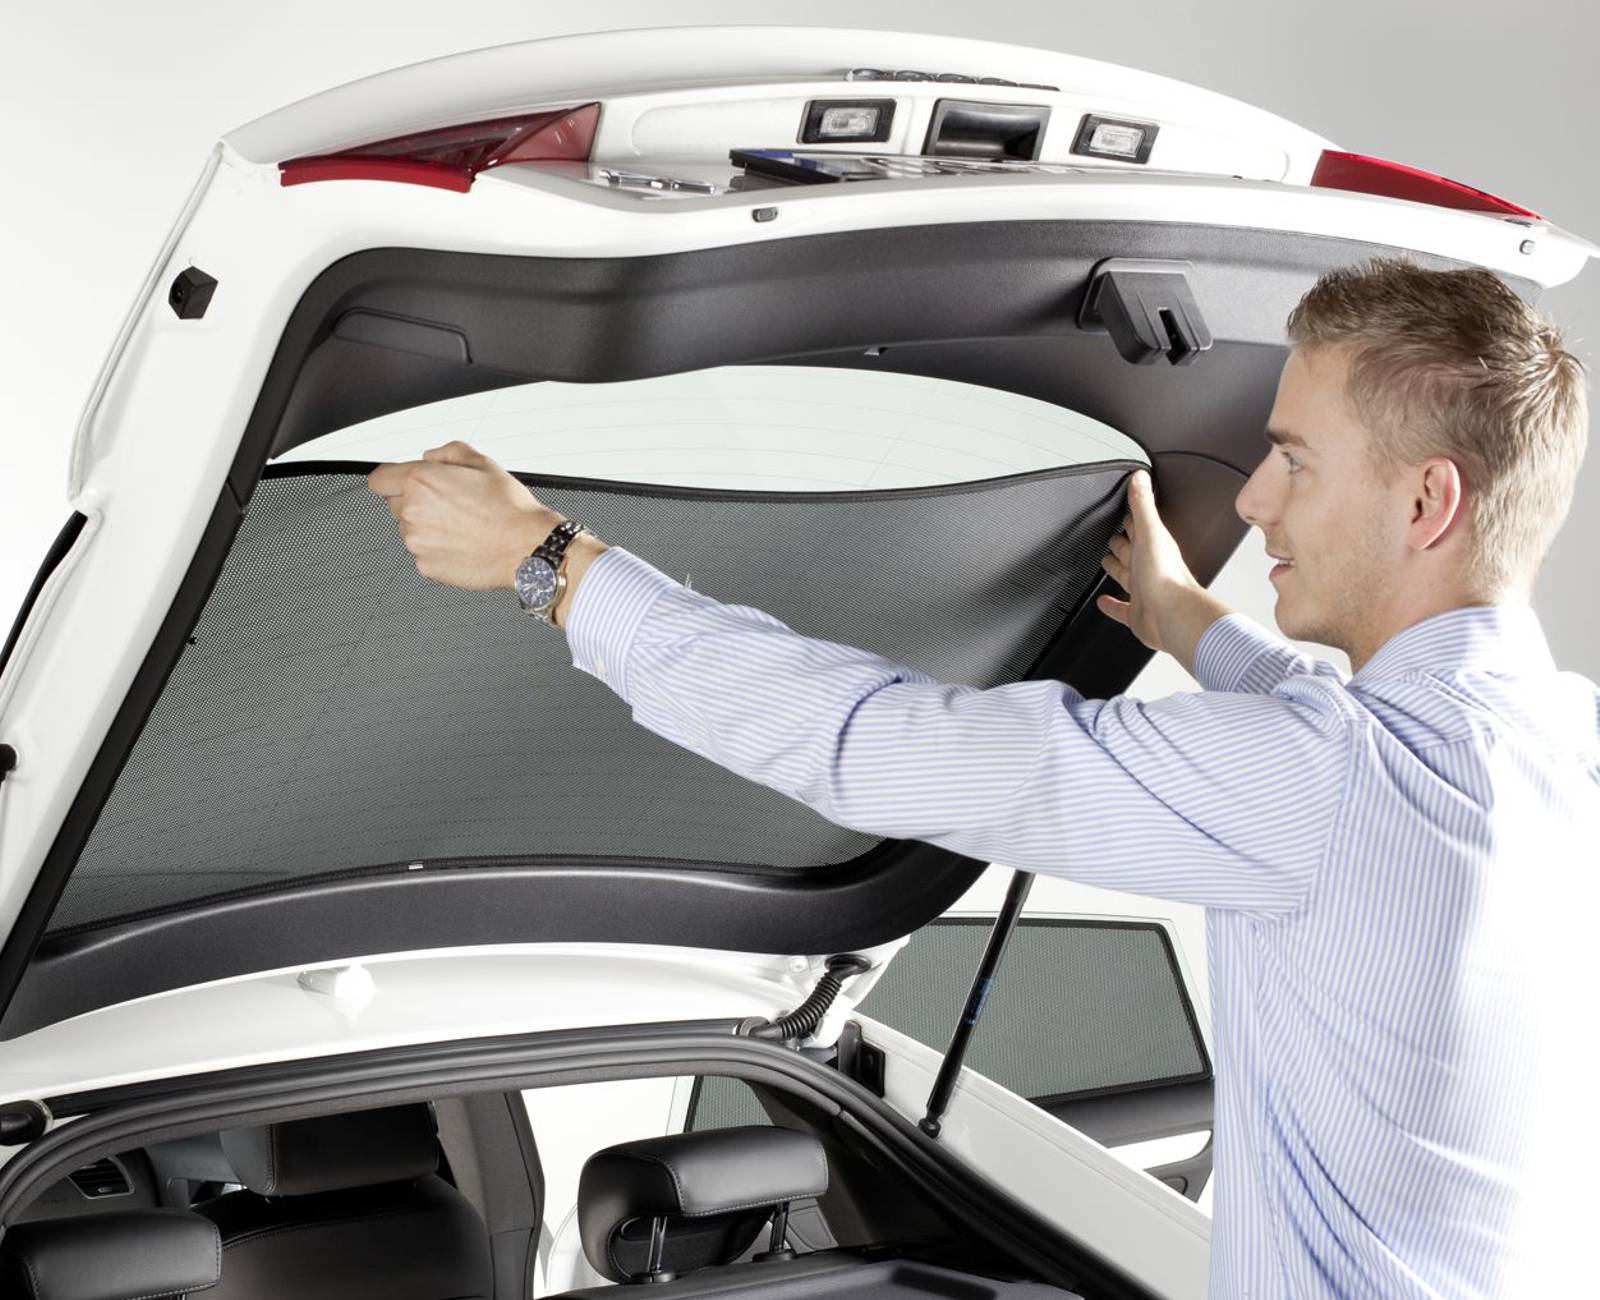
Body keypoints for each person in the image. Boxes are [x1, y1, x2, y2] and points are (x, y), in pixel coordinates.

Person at [368, 257, 1597, 1300]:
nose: (1259, 499)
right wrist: (1185, 620)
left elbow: (865, 738)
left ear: (1429, 501)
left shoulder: (1321, 786)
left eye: (1294, 461)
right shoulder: (1563, 741)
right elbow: (1333, 721)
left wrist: (549, 563)